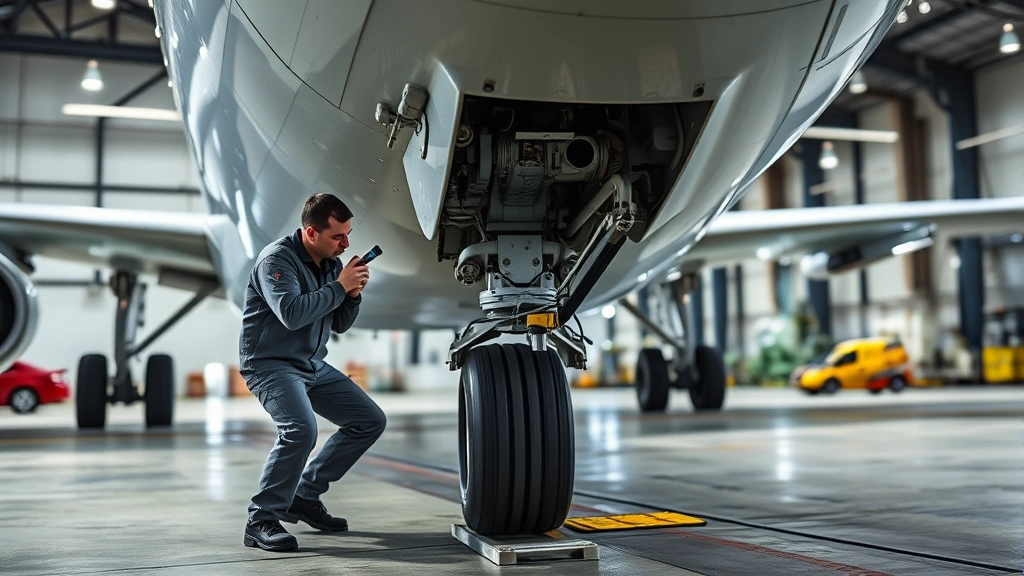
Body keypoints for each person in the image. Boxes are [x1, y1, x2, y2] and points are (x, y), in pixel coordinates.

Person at [238, 193, 387, 552]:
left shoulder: (330, 264)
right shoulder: (277, 261)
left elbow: (338, 324)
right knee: (301, 430)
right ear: (310, 232)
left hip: (310, 363)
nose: (346, 243)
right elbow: (291, 313)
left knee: (369, 420)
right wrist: (340, 287)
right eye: (338, 236)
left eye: (348, 234)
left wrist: (351, 295)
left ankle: (303, 496)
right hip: (271, 364)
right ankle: (260, 520)